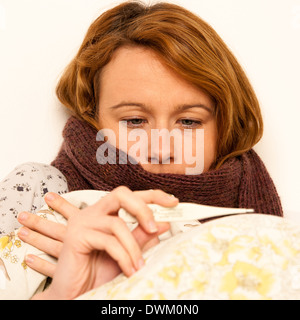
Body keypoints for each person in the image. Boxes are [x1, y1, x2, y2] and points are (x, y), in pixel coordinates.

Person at [0, 1, 283, 299]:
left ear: (222, 127)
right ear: (93, 117)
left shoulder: (265, 223)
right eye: (134, 121)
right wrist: (59, 295)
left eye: (188, 121)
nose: (161, 150)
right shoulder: (42, 191)